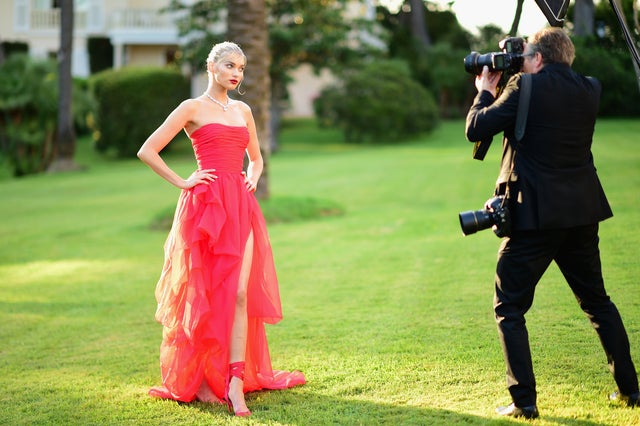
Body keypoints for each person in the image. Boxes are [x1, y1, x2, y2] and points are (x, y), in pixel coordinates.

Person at [465, 27, 639, 419]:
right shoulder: (589, 89)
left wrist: (484, 89)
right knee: (598, 303)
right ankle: (631, 390)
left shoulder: (523, 88)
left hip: (534, 216)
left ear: (539, 59)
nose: (520, 60)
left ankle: (523, 401)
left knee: (509, 306)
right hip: (581, 212)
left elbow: (475, 128)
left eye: (525, 54)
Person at [137, 41, 305, 417]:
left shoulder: (243, 110)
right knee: (206, 294)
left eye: (241, 68)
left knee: (241, 293)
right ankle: (198, 380)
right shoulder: (191, 108)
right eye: (229, 65)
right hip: (205, 207)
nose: (236, 73)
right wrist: (183, 181)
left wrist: (252, 177)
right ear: (211, 66)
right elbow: (147, 150)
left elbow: (257, 159)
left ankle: (233, 380)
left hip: (240, 206)